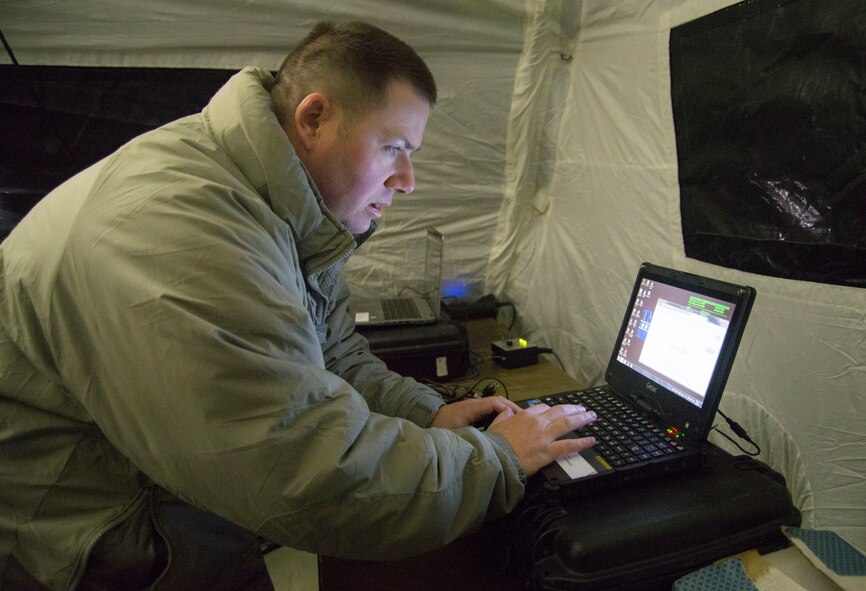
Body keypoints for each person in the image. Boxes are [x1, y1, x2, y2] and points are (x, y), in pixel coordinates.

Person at [0, 20, 596, 590]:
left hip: (149, 475)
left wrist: (426, 415)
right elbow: (306, 474)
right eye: (393, 148)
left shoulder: (275, 203)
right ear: (313, 117)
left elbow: (329, 351)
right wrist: (495, 461)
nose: (408, 179)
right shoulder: (192, 233)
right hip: (87, 526)